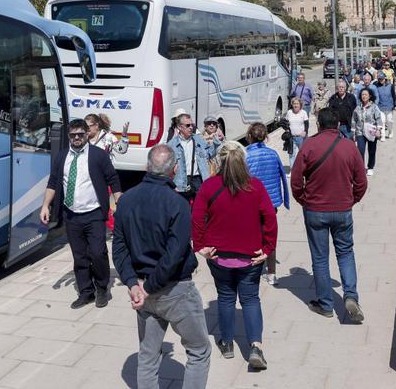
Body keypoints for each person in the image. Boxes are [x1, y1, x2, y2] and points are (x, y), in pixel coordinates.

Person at [112, 145, 211, 389]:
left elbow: (119, 248)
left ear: (147, 167)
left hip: (143, 289)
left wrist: (133, 283)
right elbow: (174, 255)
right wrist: (148, 287)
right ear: (174, 169)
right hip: (174, 289)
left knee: (147, 355)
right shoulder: (177, 203)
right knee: (199, 350)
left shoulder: (126, 200)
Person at [192, 141, 277, 370]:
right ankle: (255, 346)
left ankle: (227, 343)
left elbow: (197, 217)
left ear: (219, 160)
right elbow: (270, 217)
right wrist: (268, 248)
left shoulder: (209, 186)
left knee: (226, 297)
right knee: (250, 299)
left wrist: (200, 246)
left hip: (219, 256)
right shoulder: (255, 186)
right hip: (250, 256)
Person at [290, 108, 368, 322]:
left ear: (319, 125)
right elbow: (361, 182)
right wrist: (353, 199)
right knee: (345, 253)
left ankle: (325, 304)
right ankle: (350, 296)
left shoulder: (309, 146)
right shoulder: (349, 147)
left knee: (320, 258)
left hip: (315, 210)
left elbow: (296, 181)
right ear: (337, 125)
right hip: (343, 210)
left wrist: (303, 200)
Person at [40, 119, 122, 309]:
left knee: (98, 252)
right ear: (68, 136)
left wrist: (120, 200)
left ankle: (102, 288)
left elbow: (113, 178)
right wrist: (45, 206)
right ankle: (86, 292)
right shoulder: (61, 157)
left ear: (87, 134)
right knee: (79, 256)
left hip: (93, 213)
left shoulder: (98, 155)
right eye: (73, 135)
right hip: (72, 214)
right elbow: (53, 182)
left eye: (80, 134)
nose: (76, 138)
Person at [245, 122, 290, 286]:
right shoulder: (273, 154)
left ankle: (252, 270)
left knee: (252, 235)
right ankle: (272, 274)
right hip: (271, 202)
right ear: (265, 136)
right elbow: (282, 177)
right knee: (269, 235)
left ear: (249, 136)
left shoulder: (246, 155)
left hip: (251, 202)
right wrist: (283, 199)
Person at [167, 113, 216, 201]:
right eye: (188, 125)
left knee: (201, 208)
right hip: (181, 180)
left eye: (192, 125)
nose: (191, 127)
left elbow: (209, 154)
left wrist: (215, 143)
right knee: (183, 208)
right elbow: (167, 168)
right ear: (179, 127)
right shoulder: (172, 145)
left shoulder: (198, 139)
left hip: (198, 179)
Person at [353, 89, 383, 176]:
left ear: (369, 96)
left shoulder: (374, 107)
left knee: (372, 150)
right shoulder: (358, 107)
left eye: (366, 95)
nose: (364, 96)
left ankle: (370, 167)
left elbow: (378, 119)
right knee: (360, 150)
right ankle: (361, 167)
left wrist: (378, 129)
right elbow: (354, 119)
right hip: (360, 132)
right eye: (362, 94)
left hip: (371, 131)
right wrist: (354, 131)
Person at [285, 97, 309, 168]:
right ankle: (292, 170)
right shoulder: (289, 112)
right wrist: (286, 129)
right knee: (291, 154)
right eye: (294, 103)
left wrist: (305, 131)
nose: (295, 105)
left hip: (300, 137)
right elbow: (286, 123)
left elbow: (306, 123)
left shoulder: (303, 112)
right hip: (291, 137)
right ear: (292, 104)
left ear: (300, 105)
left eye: (297, 104)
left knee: (302, 154)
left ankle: (302, 169)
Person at [373, 72, 396, 140]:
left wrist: (395, 104)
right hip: (380, 107)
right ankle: (382, 136)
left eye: (382, 79)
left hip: (389, 106)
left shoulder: (390, 85)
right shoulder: (376, 86)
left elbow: (394, 95)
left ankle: (390, 131)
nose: (380, 80)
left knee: (390, 121)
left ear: (385, 78)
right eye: (379, 79)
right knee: (382, 122)